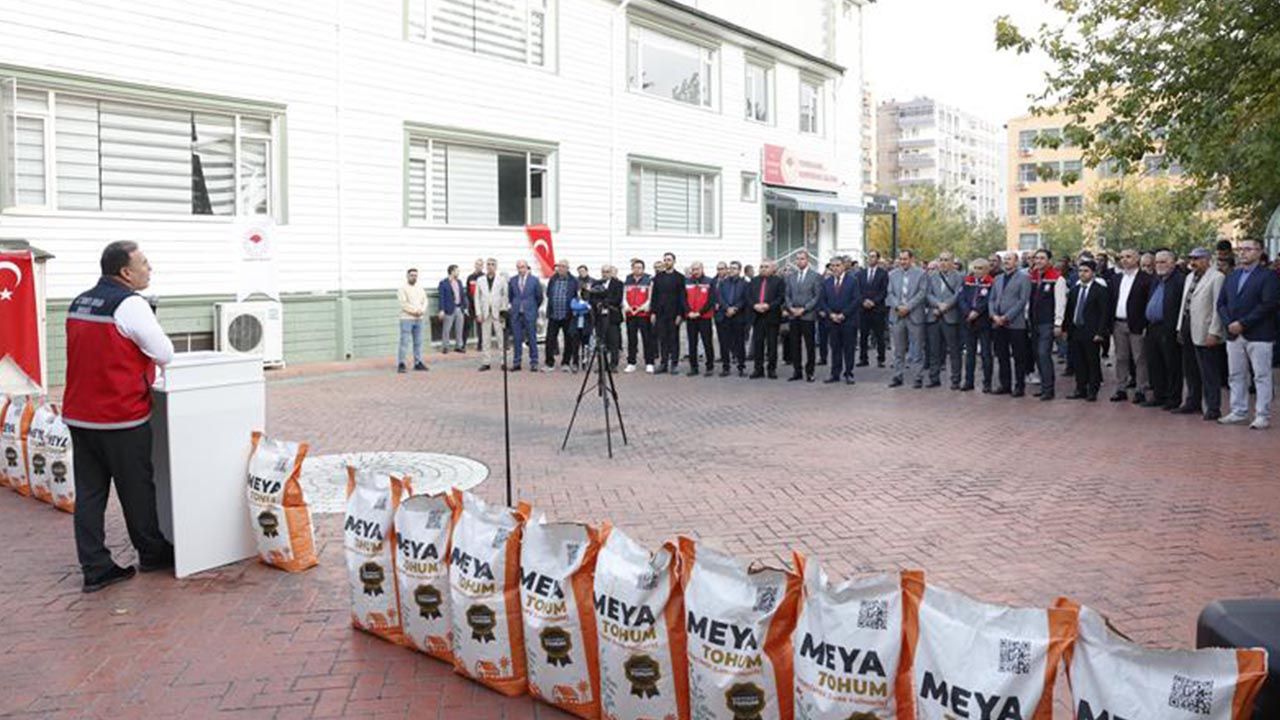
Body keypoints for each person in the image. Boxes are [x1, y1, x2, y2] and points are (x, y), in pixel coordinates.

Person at [63, 241, 176, 592]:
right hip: (120, 415)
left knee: (90, 494)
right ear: (126, 272)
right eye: (144, 263)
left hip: (80, 415)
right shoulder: (130, 304)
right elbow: (164, 353)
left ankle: (95, 567)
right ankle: (152, 553)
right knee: (136, 487)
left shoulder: (80, 302)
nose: (150, 268)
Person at [1217, 237, 1279, 429]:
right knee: (1235, 375)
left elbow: (1268, 304)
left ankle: (1262, 415)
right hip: (1234, 334)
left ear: (1259, 252)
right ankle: (1238, 411)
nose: (1243, 252)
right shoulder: (1232, 276)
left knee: (1261, 376)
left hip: (1259, 334)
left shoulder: (1268, 276)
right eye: (1241, 249)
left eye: (1248, 249)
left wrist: (1243, 323)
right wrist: (1229, 323)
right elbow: (1221, 303)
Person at [1174, 247, 1225, 420]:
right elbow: (1184, 303)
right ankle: (1192, 401)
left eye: (1197, 259)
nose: (1193, 262)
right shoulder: (1190, 277)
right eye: (1191, 259)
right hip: (1188, 325)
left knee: (1209, 371)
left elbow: (1218, 306)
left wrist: (1215, 331)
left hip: (1205, 329)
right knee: (1190, 368)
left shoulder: (1217, 277)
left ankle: (1213, 407)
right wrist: (1180, 327)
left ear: (1207, 259)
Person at [1108, 248, 1154, 403]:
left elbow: (1148, 302)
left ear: (1137, 259)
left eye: (1128, 256)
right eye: (1122, 257)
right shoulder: (1116, 279)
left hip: (1137, 324)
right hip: (1118, 323)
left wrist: (1145, 324)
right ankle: (1121, 388)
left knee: (1139, 358)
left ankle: (1141, 389)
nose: (1124, 260)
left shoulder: (1146, 279)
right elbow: (1112, 300)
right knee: (1121, 357)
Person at [1142, 250, 1186, 409]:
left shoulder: (1180, 281)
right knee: (1155, 363)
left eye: (1163, 262)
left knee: (1172, 364)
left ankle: (1173, 398)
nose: (1159, 265)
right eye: (1157, 262)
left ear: (1173, 263)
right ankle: (1158, 395)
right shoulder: (1156, 280)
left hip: (1169, 328)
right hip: (1152, 327)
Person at [1064, 259, 1109, 401]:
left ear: (1093, 273)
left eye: (1086, 271)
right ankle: (1080, 388)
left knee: (1092, 361)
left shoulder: (1100, 290)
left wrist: (1100, 332)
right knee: (1078, 362)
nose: (1082, 274)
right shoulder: (1075, 290)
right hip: (1076, 330)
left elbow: (1104, 313)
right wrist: (1066, 329)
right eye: (1080, 271)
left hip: (1092, 331)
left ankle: (1093, 390)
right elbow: (1069, 311)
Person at [989, 251, 1031, 397]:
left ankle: (1019, 386)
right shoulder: (998, 278)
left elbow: (1022, 300)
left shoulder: (1024, 278)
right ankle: (1005, 384)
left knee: (1019, 356)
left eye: (1009, 259)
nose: (1006, 261)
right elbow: (992, 299)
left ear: (1016, 262)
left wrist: (1007, 317)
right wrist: (994, 315)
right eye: (1005, 259)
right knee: (1002, 355)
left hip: (1015, 323)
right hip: (997, 323)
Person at [1027, 249, 1067, 401]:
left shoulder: (1057, 279)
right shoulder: (1033, 277)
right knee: (1037, 354)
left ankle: (1049, 389)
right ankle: (1044, 386)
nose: (1038, 261)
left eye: (1042, 258)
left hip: (1047, 322)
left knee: (1044, 354)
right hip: (1033, 322)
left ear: (1049, 260)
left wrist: (1058, 323)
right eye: (1036, 258)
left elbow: (1060, 302)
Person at [885, 250, 927, 388]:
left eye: (905, 259)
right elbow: (890, 293)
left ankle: (918, 377)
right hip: (897, 315)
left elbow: (922, 292)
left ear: (912, 259)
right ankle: (898, 376)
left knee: (917, 349)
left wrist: (908, 307)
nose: (902, 262)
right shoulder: (892, 274)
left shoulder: (921, 273)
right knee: (898, 349)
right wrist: (898, 306)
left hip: (914, 315)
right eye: (901, 259)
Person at [925, 252, 964, 390]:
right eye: (941, 260)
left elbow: (958, 294)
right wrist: (937, 305)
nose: (943, 262)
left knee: (954, 350)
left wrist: (945, 306)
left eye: (946, 260)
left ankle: (955, 379)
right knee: (934, 350)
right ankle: (934, 378)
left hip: (951, 317)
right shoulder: (931, 276)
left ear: (952, 262)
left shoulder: (959, 277)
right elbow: (928, 294)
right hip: (934, 316)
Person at [819, 255, 860, 384]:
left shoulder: (852, 281)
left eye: (838, 265)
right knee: (835, 348)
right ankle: (835, 373)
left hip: (848, 320)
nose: (835, 268)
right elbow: (822, 301)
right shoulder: (826, 282)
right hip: (832, 320)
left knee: (849, 348)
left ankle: (849, 373)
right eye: (833, 266)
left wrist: (844, 314)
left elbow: (856, 300)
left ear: (843, 266)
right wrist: (831, 314)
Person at [784, 250, 822, 382]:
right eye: (798, 259)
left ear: (807, 260)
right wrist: (791, 308)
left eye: (802, 259)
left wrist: (804, 309)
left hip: (808, 315)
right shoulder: (791, 277)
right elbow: (787, 295)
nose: (799, 261)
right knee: (795, 345)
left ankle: (810, 372)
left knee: (810, 345)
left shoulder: (815, 276)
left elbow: (817, 296)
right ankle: (797, 371)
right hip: (793, 315)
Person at [957, 258, 995, 392]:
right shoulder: (967, 281)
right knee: (969, 353)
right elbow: (961, 298)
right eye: (975, 268)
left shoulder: (991, 283)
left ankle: (987, 383)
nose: (977, 271)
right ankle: (969, 381)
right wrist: (967, 312)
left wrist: (977, 311)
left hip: (984, 322)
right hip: (968, 321)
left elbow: (989, 299)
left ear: (987, 270)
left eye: (980, 268)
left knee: (986, 354)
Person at [748, 259, 785, 379]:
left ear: (773, 269)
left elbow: (780, 298)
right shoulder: (754, 281)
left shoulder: (778, 281)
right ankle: (758, 369)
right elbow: (748, 296)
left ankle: (771, 369)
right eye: (761, 267)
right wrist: (754, 305)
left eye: (766, 267)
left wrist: (768, 306)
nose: (763, 269)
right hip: (757, 316)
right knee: (758, 344)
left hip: (771, 316)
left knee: (772, 345)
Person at [651, 253, 686, 375]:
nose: (667, 262)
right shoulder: (658, 277)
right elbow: (654, 296)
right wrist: (653, 312)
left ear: (674, 261)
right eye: (665, 260)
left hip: (674, 314)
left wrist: (680, 314)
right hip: (661, 313)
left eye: (669, 260)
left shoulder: (679, 277)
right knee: (663, 339)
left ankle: (674, 364)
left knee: (674, 339)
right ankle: (663, 363)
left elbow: (682, 297)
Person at [715, 260, 749, 377]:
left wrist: (735, 308)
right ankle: (726, 367)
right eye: (730, 268)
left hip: (738, 317)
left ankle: (741, 367)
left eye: (734, 268)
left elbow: (745, 299)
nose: (731, 270)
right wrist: (727, 308)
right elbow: (720, 297)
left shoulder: (745, 284)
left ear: (739, 270)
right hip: (725, 316)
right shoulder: (723, 283)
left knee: (739, 343)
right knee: (724, 343)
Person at [543, 260, 579, 371]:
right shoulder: (553, 279)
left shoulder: (573, 281)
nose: (560, 269)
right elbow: (548, 293)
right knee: (550, 339)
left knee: (568, 340)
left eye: (563, 266)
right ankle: (549, 363)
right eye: (559, 266)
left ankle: (566, 363)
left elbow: (576, 295)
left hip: (567, 315)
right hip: (554, 315)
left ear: (568, 268)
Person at [507, 260, 543, 371]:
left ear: (527, 267)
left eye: (522, 267)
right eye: (518, 267)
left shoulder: (534, 280)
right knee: (517, 339)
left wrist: (533, 308)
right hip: (517, 313)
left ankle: (534, 362)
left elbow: (539, 297)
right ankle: (517, 362)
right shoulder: (513, 280)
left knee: (532, 338)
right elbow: (510, 296)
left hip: (530, 313)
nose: (521, 269)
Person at [474, 258, 508, 372]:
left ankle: (503, 361)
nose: (490, 266)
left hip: (498, 312)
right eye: (488, 264)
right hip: (485, 313)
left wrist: (503, 310)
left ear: (496, 266)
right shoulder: (480, 280)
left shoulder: (501, 280)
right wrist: (478, 312)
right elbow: (476, 297)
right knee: (485, 339)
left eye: (492, 264)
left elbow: (505, 296)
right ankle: (486, 362)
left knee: (500, 338)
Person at [856, 250, 889, 368]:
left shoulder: (883, 274)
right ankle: (863, 358)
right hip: (863, 309)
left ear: (878, 259)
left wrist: (873, 302)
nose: (870, 259)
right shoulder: (861, 273)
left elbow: (884, 291)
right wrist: (863, 301)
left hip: (877, 309)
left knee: (879, 335)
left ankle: (881, 359)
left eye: (873, 257)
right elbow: (857, 290)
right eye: (869, 257)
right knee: (863, 335)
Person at [622, 260, 655, 374]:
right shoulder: (628, 280)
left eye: (640, 267)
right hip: (630, 314)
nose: (637, 269)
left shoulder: (648, 280)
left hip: (643, 314)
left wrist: (640, 308)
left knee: (647, 339)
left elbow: (650, 298)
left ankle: (649, 363)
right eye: (635, 267)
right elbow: (624, 296)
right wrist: (628, 307)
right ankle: (631, 363)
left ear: (643, 269)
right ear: (632, 268)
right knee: (631, 339)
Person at [683, 262, 716, 376]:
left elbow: (711, 300)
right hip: (690, 317)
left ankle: (709, 367)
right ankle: (694, 367)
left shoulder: (710, 281)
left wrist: (699, 313)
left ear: (702, 269)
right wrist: (689, 312)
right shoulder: (686, 282)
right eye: (693, 269)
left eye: (697, 269)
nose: (695, 271)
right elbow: (683, 299)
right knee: (692, 343)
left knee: (707, 343)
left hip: (704, 317)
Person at [397, 268, 428, 373]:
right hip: (406, 319)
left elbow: (425, 300)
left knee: (418, 342)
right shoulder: (402, 289)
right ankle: (401, 363)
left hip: (419, 319)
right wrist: (415, 311)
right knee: (404, 342)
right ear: (407, 276)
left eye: (415, 275)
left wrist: (422, 310)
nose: (414, 277)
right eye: (412, 275)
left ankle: (418, 362)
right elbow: (403, 304)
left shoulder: (420, 288)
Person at [594, 265, 625, 371]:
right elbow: (592, 298)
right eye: (603, 271)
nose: (605, 274)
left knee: (614, 342)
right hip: (600, 317)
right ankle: (602, 365)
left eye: (607, 272)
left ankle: (613, 364)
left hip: (613, 317)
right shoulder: (597, 283)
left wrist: (605, 302)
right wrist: (598, 303)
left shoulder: (618, 284)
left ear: (611, 273)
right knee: (601, 342)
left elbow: (617, 299)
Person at [437, 264, 469, 354]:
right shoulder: (443, 283)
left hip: (459, 308)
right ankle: (445, 346)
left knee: (459, 328)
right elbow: (441, 297)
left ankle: (459, 346)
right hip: (449, 308)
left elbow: (462, 295)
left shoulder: (459, 282)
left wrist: (465, 307)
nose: (458, 273)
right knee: (447, 329)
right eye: (457, 271)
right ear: (452, 271)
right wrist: (441, 309)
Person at [465, 257, 484, 352]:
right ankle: (463, 344)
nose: (478, 266)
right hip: (471, 305)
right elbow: (468, 291)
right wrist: (468, 303)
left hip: (481, 305)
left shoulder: (484, 277)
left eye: (480, 265)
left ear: (482, 266)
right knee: (467, 324)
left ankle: (480, 345)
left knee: (481, 327)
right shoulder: (470, 277)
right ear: (474, 265)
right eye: (477, 264)